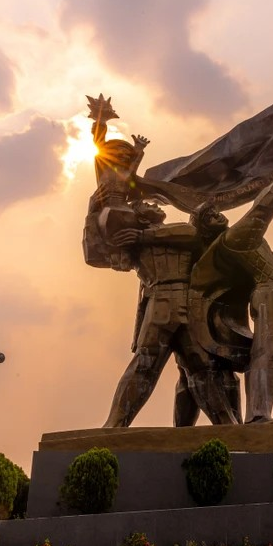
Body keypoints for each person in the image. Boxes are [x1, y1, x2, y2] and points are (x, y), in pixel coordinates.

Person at [186, 151, 273, 425]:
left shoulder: (248, 242)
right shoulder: (233, 239)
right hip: (268, 293)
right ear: (205, 229)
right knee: (271, 350)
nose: (218, 215)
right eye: (210, 216)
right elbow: (262, 211)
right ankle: (259, 415)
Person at [84, 182, 239, 427]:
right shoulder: (133, 244)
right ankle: (114, 425)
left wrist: (143, 236)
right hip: (160, 306)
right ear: (139, 218)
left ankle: (228, 426)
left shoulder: (178, 233)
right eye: (144, 205)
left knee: (202, 370)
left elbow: (193, 233)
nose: (151, 203)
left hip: (189, 308)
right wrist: (93, 212)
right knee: (145, 366)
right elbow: (95, 255)